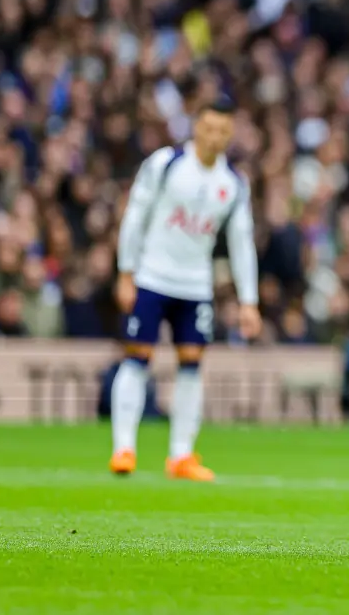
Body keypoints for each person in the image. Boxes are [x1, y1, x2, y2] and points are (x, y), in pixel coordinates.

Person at [110, 99, 262, 481]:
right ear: (196, 127)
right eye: (209, 128)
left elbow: (242, 243)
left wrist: (249, 300)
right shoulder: (165, 164)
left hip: (196, 285)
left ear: (230, 134)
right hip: (152, 276)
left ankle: (180, 455)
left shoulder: (233, 184)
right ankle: (123, 447)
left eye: (223, 131)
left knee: (192, 363)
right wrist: (126, 272)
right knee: (137, 357)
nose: (215, 137)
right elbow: (135, 216)